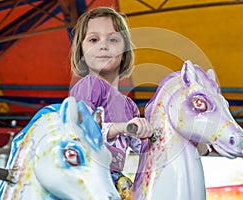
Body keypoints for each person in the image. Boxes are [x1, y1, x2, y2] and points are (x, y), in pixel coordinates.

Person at [69, 6, 209, 198]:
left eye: (113, 40)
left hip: (113, 180)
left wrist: (188, 142)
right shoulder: (89, 85)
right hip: (86, 176)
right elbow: (79, 130)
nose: (103, 45)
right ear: (81, 50)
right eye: (94, 39)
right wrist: (121, 127)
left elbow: (147, 150)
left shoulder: (129, 107)